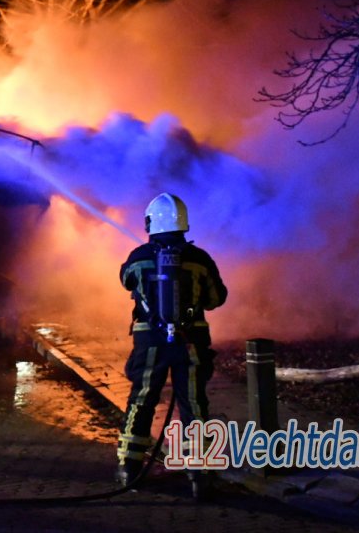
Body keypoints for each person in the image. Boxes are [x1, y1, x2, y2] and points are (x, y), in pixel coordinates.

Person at [115, 193, 227, 500]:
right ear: (183, 222)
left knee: (142, 399)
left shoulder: (138, 257)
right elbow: (216, 299)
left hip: (150, 341)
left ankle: (129, 467)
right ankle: (199, 474)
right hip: (190, 343)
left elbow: (125, 281)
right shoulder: (200, 259)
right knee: (193, 403)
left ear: (151, 223)